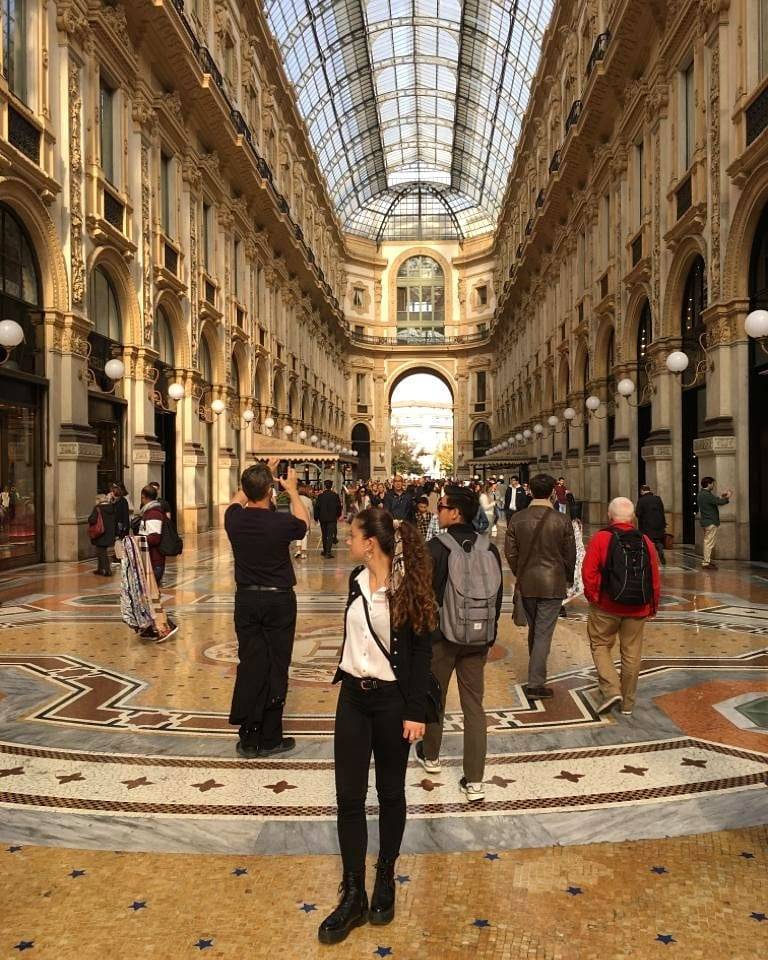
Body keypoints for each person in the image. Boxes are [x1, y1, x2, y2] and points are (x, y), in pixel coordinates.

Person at [318, 508, 437, 945]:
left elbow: (422, 653)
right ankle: (352, 893)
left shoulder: (408, 588)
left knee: (390, 793)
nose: (348, 540)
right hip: (352, 696)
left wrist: (416, 710)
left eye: (353, 534)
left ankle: (384, 875)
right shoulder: (354, 580)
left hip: (392, 704)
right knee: (348, 797)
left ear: (371, 542)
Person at [418, 484, 503, 803]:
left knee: (434, 697)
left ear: (455, 513)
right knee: (474, 706)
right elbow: (498, 595)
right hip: (478, 638)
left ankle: (431, 757)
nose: (436, 510)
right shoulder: (490, 548)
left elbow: (423, 596)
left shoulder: (435, 548)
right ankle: (476, 780)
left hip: (442, 638)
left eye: (441, 506)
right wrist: (488, 635)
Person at [225, 459, 309, 758]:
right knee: (276, 665)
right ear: (271, 491)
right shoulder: (281, 522)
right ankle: (270, 736)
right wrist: (293, 491)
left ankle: (248, 737)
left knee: (250, 664)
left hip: (246, 600)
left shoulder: (233, 518)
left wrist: (260, 475)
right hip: (278, 601)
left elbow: (237, 499)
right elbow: (304, 525)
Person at [582, 497, 661, 716]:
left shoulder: (601, 538)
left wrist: (595, 597)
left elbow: (588, 572)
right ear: (633, 517)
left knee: (600, 645)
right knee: (632, 653)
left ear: (610, 515)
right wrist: (653, 605)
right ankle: (627, 703)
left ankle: (611, 689)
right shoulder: (646, 540)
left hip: (606, 605)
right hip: (638, 607)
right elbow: (654, 576)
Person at [505, 473, 576, 700]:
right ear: (553, 492)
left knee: (536, 630)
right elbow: (570, 555)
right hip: (553, 583)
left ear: (531, 492)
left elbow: (510, 553)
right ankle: (536, 684)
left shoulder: (517, 519)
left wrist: (520, 572)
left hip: (527, 582)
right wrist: (567, 577)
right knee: (543, 633)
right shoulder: (562, 520)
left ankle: (535, 676)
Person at [133, 485, 167, 587]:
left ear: (144, 496)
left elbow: (155, 538)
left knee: (151, 592)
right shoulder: (149, 512)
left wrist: (137, 539)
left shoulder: (153, 514)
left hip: (154, 561)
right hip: (149, 560)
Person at [698, 477, 732, 570]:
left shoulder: (701, 494)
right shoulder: (706, 495)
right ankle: (706, 562)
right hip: (710, 521)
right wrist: (728, 496)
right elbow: (719, 502)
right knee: (708, 542)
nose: (713, 485)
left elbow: (714, 500)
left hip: (706, 521)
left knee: (708, 542)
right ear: (708, 484)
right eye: (712, 484)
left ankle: (707, 560)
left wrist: (722, 496)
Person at [635, 484, 667, 566]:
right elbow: (662, 511)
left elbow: (638, 513)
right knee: (657, 541)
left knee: (645, 542)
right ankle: (660, 549)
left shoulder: (641, 500)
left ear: (642, 491)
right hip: (659, 525)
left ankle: (647, 559)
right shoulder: (658, 499)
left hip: (646, 525)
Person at [89, 490, 117, 577]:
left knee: (102, 552)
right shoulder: (111, 507)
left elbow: (92, 520)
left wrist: (89, 519)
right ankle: (100, 569)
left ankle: (107, 570)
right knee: (101, 551)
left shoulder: (97, 508)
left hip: (100, 533)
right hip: (109, 533)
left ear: (98, 500)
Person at [314, 479, 343, 558]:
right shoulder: (335, 495)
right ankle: (328, 552)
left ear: (324, 486)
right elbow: (338, 507)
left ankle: (325, 550)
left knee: (324, 535)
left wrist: (316, 517)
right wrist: (338, 515)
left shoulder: (320, 496)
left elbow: (317, 507)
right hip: (332, 518)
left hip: (322, 518)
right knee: (330, 535)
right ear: (331, 486)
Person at [293, 483, 315, 560]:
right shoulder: (308, 500)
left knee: (298, 535)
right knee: (304, 536)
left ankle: (298, 550)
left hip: (296, 519)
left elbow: (292, 510)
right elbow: (312, 510)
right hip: (305, 520)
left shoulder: (295, 499)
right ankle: (303, 553)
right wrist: (313, 518)